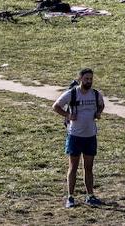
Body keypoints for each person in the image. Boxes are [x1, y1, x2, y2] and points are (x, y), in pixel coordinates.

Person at [52, 69, 106, 208]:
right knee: (73, 167)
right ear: (80, 78)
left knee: (89, 167)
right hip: (75, 136)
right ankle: (70, 197)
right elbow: (56, 106)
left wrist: (98, 112)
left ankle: (90, 196)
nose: (89, 81)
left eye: (91, 79)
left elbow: (102, 105)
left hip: (90, 136)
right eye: (86, 79)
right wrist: (68, 115)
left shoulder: (95, 94)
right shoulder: (72, 93)